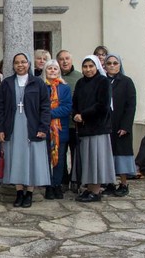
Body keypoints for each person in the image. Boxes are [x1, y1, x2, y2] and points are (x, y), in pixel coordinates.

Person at [0, 53, 51, 208]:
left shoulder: (38, 83)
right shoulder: (6, 83)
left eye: (23, 62)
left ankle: (29, 193)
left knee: (31, 159)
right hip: (13, 128)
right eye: (17, 63)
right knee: (16, 159)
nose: (20, 65)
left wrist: (43, 127)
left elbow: (45, 107)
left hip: (32, 127)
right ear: (13, 65)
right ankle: (19, 192)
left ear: (29, 64)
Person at [72, 55, 115, 202]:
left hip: (98, 127)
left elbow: (102, 105)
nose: (88, 69)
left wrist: (83, 115)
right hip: (84, 128)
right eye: (85, 66)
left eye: (91, 66)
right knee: (88, 160)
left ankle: (96, 191)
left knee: (96, 160)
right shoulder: (80, 83)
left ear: (96, 66)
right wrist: (76, 114)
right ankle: (89, 188)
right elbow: (75, 101)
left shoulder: (103, 82)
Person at [104, 54, 137, 196]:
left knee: (122, 154)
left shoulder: (126, 82)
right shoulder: (102, 81)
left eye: (115, 63)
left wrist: (125, 126)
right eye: (109, 63)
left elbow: (131, 106)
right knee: (107, 155)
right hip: (106, 123)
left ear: (119, 65)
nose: (112, 65)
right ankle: (110, 183)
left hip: (121, 123)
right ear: (104, 65)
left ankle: (123, 183)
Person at [41, 60, 72, 200]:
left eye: (55, 68)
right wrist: (46, 116)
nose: (52, 71)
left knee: (59, 159)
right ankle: (48, 186)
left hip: (60, 129)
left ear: (59, 71)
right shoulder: (41, 87)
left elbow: (67, 107)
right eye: (49, 68)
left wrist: (49, 114)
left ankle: (57, 185)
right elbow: (38, 106)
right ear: (45, 71)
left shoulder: (65, 88)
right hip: (44, 128)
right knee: (46, 158)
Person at [56, 49, 82, 192]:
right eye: (61, 59)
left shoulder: (79, 77)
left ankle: (75, 181)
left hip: (75, 125)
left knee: (75, 154)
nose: (65, 61)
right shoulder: (54, 77)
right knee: (60, 155)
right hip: (59, 124)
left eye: (67, 58)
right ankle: (62, 181)